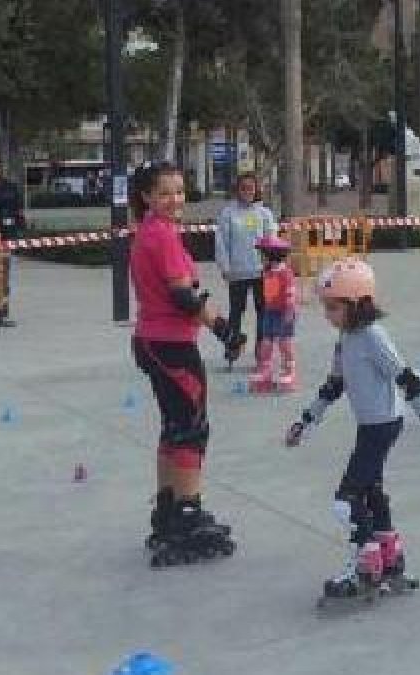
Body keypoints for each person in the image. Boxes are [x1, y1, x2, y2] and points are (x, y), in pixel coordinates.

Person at [286, 258, 420, 601]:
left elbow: (406, 377)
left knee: (346, 502)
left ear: (357, 304)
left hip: (384, 425)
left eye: (333, 307)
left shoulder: (372, 336)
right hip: (371, 425)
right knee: (371, 493)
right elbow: (334, 385)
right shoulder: (345, 338)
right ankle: (391, 561)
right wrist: (305, 422)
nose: (327, 315)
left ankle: (366, 567)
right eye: (325, 307)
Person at [128, 162, 247, 567]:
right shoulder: (161, 236)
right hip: (171, 344)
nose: (175, 199)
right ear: (147, 196)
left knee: (174, 427)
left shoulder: (149, 231)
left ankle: (167, 508)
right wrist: (222, 327)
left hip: (151, 340)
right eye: (165, 193)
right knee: (193, 430)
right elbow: (182, 298)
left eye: (179, 191)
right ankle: (188, 514)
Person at [214, 173, 278, 366]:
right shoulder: (228, 213)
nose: (247, 192)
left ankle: (262, 351)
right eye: (243, 188)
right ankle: (232, 349)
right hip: (237, 273)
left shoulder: (264, 214)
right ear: (237, 190)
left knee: (263, 312)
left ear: (256, 190)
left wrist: (273, 265)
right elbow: (222, 242)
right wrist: (225, 267)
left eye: (251, 188)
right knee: (235, 312)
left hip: (261, 272)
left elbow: (272, 241)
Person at [248, 235, 298, 393]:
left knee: (284, 343)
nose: (260, 258)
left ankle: (289, 371)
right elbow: (268, 293)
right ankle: (265, 371)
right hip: (270, 311)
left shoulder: (285, 272)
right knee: (266, 343)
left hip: (284, 312)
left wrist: (289, 309)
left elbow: (290, 292)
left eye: (262, 255)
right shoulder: (267, 272)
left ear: (272, 255)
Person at [0, 154, 24, 328]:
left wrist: (18, 230)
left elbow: (18, 210)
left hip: (4, 240)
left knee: (3, 278)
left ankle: (1, 314)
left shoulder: (10, 187)